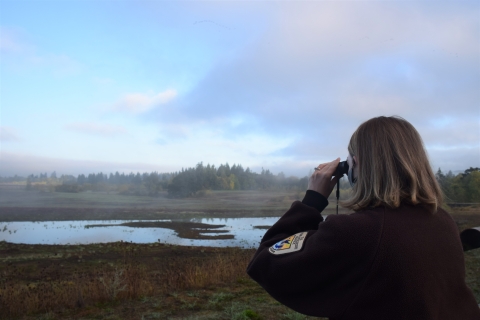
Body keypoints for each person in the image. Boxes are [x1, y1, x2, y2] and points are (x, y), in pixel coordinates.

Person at [246, 116, 480, 320]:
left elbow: (266, 264)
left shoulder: (360, 232)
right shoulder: (442, 221)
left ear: (356, 165)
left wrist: (313, 200)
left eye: (349, 165)